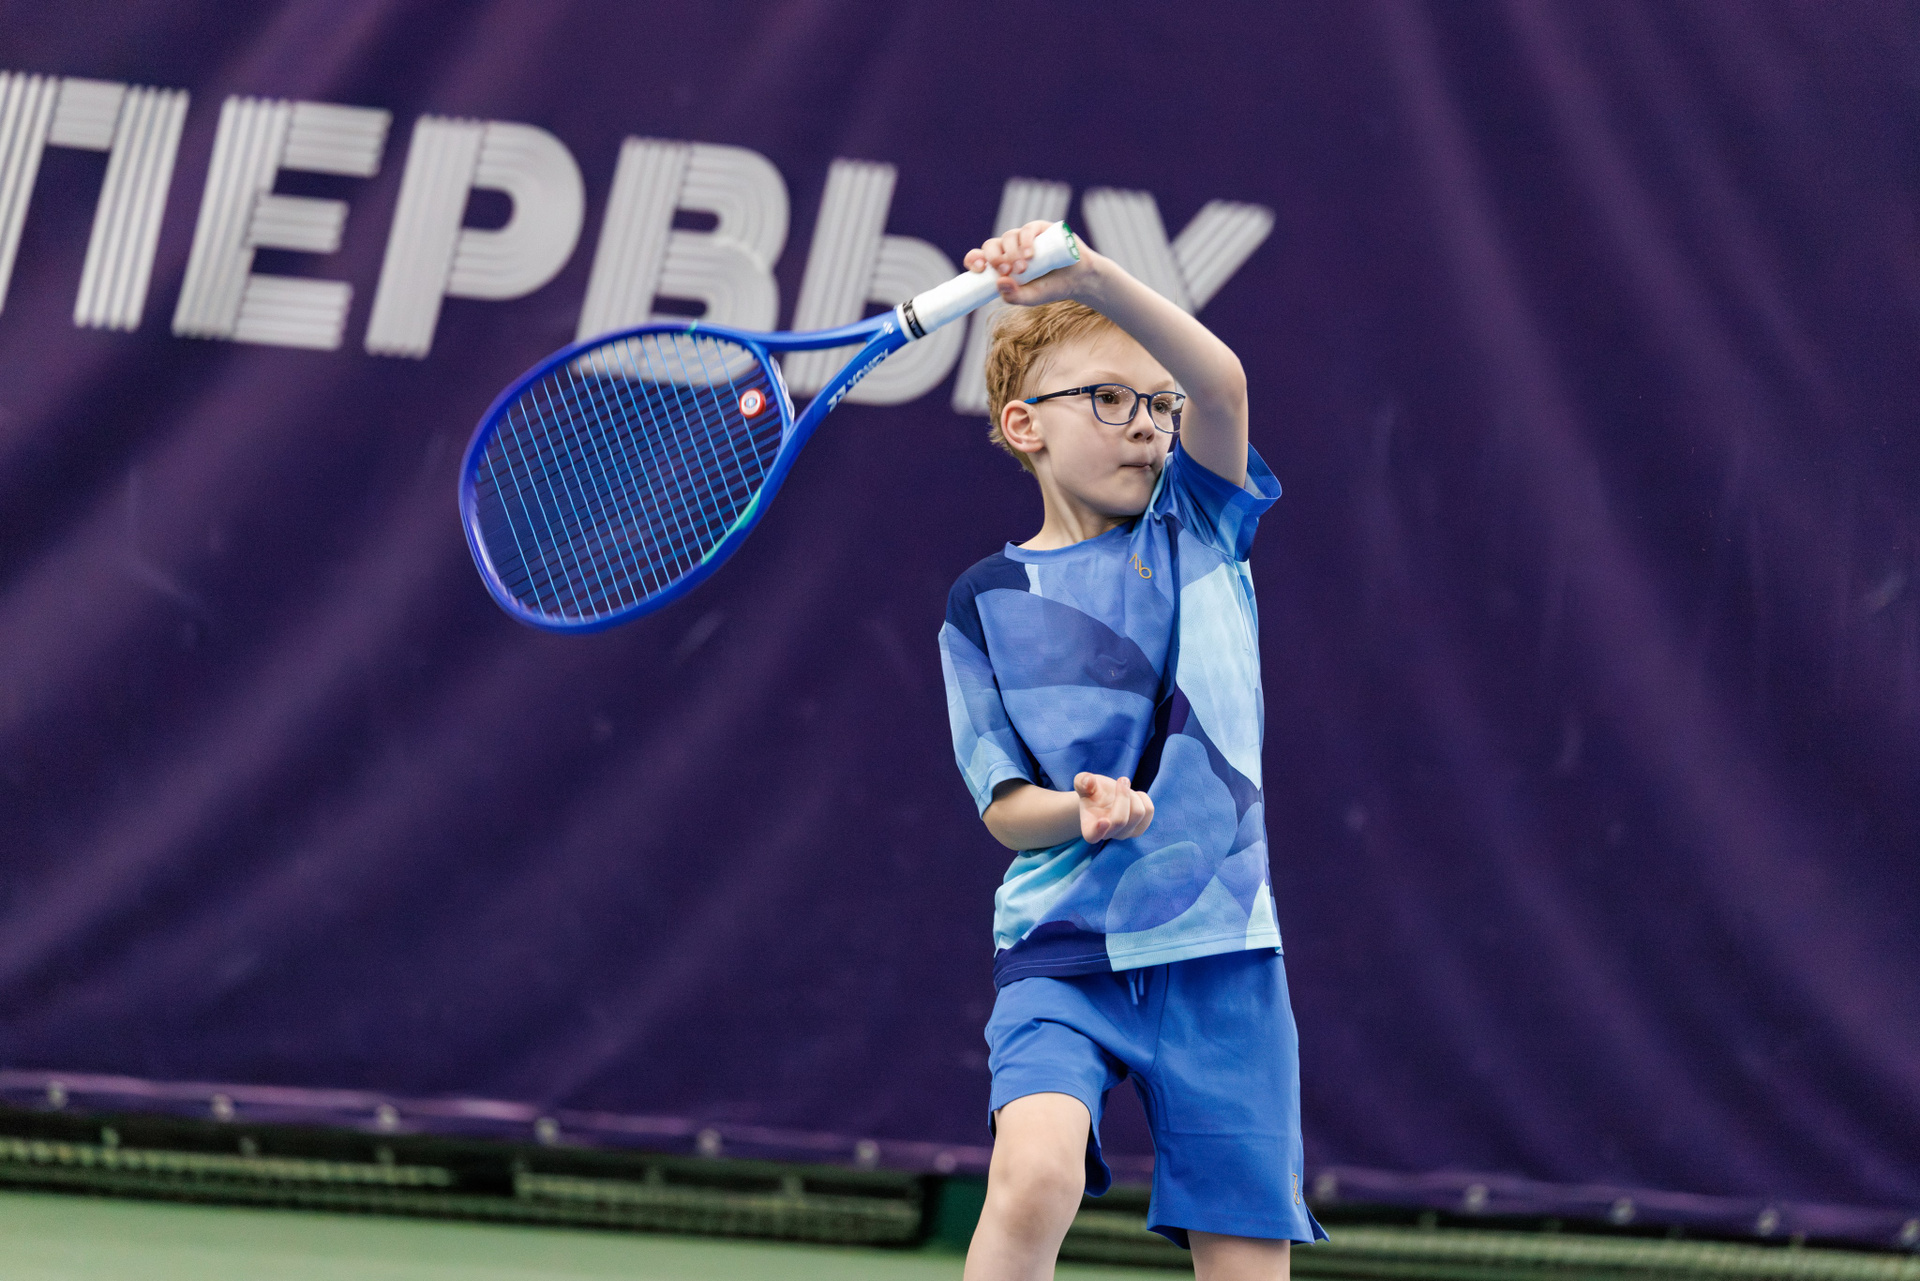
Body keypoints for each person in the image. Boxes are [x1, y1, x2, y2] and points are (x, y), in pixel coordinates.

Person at [938, 222, 1325, 1281]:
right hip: (1063, 952)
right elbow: (1004, 805)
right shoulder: (983, 603)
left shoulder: (1198, 525)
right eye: (1109, 398)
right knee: (1034, 1177)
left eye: (1157, 404)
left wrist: (1092, 276)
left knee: (1245, 1266)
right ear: (1024, 425)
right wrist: (1080, 811)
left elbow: (1223, 384)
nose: (1146, 425)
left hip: (1224, 958)